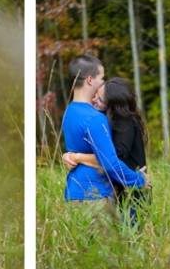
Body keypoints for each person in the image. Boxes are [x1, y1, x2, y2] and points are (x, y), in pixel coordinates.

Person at [60, 55, 148, 216]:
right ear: (90, 80)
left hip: (74, 192)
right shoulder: (95, 118)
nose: (104, 82)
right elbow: (109, 161)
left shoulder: (69, 111)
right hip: (95, 196)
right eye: (101, 78)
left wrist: (73, 156)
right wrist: (139, 179)